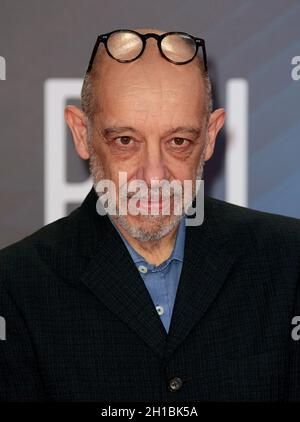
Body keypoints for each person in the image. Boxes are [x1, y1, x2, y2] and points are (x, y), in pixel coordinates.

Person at [0, 27, 300, 402]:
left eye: (179, 142)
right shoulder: (13, 286)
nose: (154, 176)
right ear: (82, 133)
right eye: (125, 141)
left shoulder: (290, 261)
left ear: (209, 137)